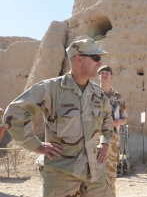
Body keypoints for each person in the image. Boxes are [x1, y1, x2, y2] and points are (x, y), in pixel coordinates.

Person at [2, 38, 114, 196]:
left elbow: (108, 119)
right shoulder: (51, 88)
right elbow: (14, 113)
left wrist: (105, 142)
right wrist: (36, 145)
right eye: (95, 57)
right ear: (79, 59)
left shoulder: (98, 94)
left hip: (95, 173)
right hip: (61, 175)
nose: (100, 62)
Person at [98, 65, 128, 196]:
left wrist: (120, 122)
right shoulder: (91, 94)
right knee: (92, 174)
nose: (104, 75)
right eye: (102, 73)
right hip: (94, 139)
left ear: (111, 77)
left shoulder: (118, 97)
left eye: (107, 73)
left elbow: (125, 117)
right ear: (98, 76)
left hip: (112, 140)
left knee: (110, 174)